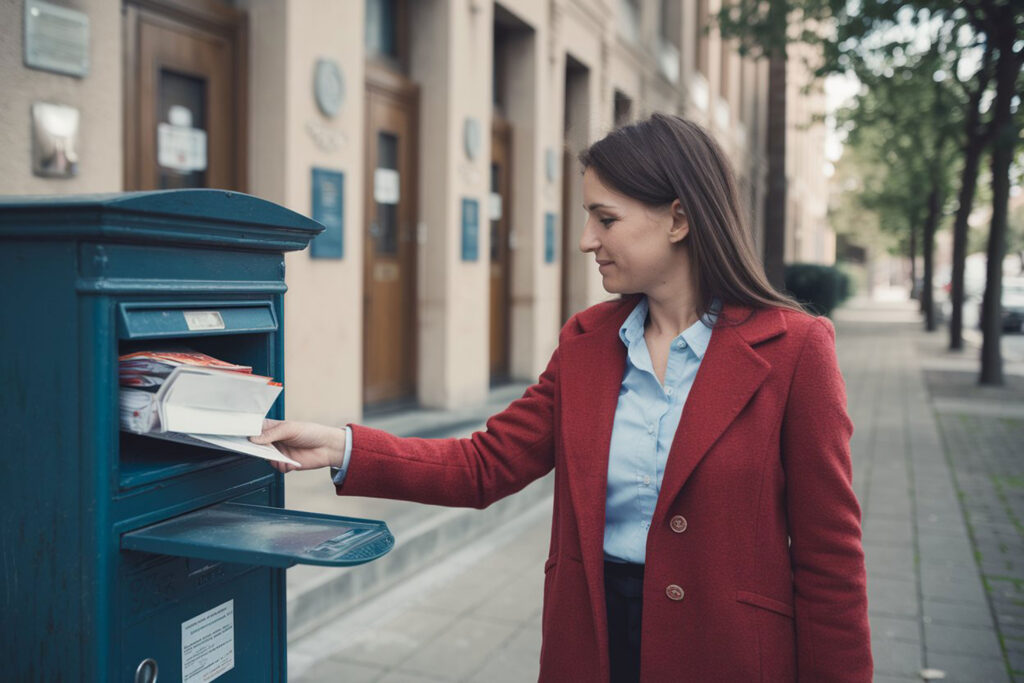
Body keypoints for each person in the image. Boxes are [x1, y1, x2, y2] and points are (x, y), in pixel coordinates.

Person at [251, 113, 872, 682]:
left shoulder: (794, 350)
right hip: (594, 646)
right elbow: (484, 465)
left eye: (606, 219)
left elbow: (831, 563)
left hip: (730, 656)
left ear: (679, 219)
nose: (585, 240)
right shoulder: (588, 344)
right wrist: (341, 446)